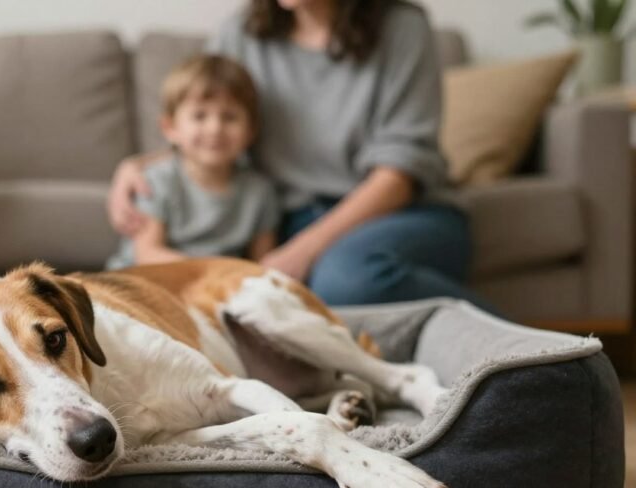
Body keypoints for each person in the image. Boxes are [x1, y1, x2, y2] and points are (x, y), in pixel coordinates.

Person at [108, 0, 489, 309]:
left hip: (401, 214)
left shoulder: (404, 27)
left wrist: (301, 253)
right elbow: (204, 121)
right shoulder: (241, 34)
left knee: (345, 281)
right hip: (291, 219)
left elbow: (399, 174)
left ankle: (529, 355)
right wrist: (136, 166)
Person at [106, 55, 279, 270]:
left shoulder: (260, 192)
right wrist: (217, 271)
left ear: (251, 131)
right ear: (170, 128)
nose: (215, 128)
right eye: (199, 116)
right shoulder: (156, 181)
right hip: (144, 282)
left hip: (214, 291)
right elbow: (148, 253)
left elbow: (262, 265)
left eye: (229, 117)